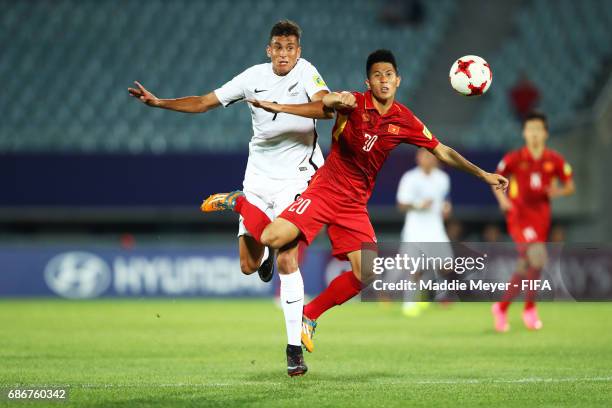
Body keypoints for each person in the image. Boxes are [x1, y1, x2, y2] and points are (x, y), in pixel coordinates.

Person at [201, 49, 508, 374]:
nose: (384, 80)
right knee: (270, 238)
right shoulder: (354, 104)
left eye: (389, 74)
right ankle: (240, 200)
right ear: (368, 81)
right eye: (377, 75)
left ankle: (310, 315)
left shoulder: (404, 119)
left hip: (354, 205)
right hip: (323, 191)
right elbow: (326, 103)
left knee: (368, 271)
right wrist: (306, 103)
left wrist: (483, 175)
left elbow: (442, 150)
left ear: (398, 80)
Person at [128, 20, 331, 376]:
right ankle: (242, 204)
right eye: (277, 47)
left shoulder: (308, 73)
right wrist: (159, 102)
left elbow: (325, 109)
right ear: (268, 50)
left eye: (290, 48)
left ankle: (293, 352)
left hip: (298, 177)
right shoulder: (251, 77)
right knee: (249, 266)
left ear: (298, 51)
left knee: (287, 261)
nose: (284, 54)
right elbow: (205, 102)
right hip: (258, 179)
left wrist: (279, 108)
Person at [491, 111, 575, 332]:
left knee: (527, 263)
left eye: (538, 130)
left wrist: (554, 191)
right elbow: (496, 179)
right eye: (530, 130)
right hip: (519, 215)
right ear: (524, 133)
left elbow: (570, 185)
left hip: (541, 217)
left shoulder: (554, 160)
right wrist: (503, 200)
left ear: (545, 133)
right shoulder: (515, 158)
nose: (534, 134)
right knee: (537, 257)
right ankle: (529, 309)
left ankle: (501, 307)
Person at [396, 148, 452, 316]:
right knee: (414, 269)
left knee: (445, 264)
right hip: (415, 229)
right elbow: (401, 205)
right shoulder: (410, 178)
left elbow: (445, 201)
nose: (428, 158)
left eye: (431, 155)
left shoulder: (443, 178)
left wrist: (447, 208)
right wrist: (419, 204)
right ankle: (409, 304)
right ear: (418, 158)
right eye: (424, 155)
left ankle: (425, 293)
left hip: (435, 228)